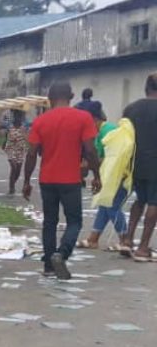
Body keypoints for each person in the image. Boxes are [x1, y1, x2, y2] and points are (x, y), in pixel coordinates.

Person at [22, 82, 101, 280]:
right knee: (74, 221)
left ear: (49, 99)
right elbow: (90, 150)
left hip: (47, 179)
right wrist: (97, 175)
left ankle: (49, 266)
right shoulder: (83, 118)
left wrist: (26, 181)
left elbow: (31, 154)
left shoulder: (40, 121)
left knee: (49, 222)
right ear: (72, 96)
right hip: (71, 179)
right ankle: (62, 253)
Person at [80, 101, 128, 250]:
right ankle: (93, 239)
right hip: (112, 174)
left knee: (112, 205)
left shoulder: (108, 131)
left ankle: (125, 240)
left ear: (92, 119)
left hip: (120, 174)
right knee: (105, 204)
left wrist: (86, 165)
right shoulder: (101, 131)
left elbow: (111, 157)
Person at [120, 73, 157, 261]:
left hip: (136, 163)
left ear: (146, 87)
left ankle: (127, 240)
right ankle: (143, 248)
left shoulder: (131, 109)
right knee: (154, 203)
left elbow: (123, 137)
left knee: (140, 200)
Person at [2, 109, 29, 195]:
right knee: (14, 167)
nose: (17, 118)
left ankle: (12, 183)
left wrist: (24, 133)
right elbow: (5, 133)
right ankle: (11, 188)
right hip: (11, 149)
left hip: (20, 150)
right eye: (16, 116)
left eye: (19, 116)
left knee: (18, 170)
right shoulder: (9, 125)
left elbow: (27, 138)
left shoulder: (25, 126)